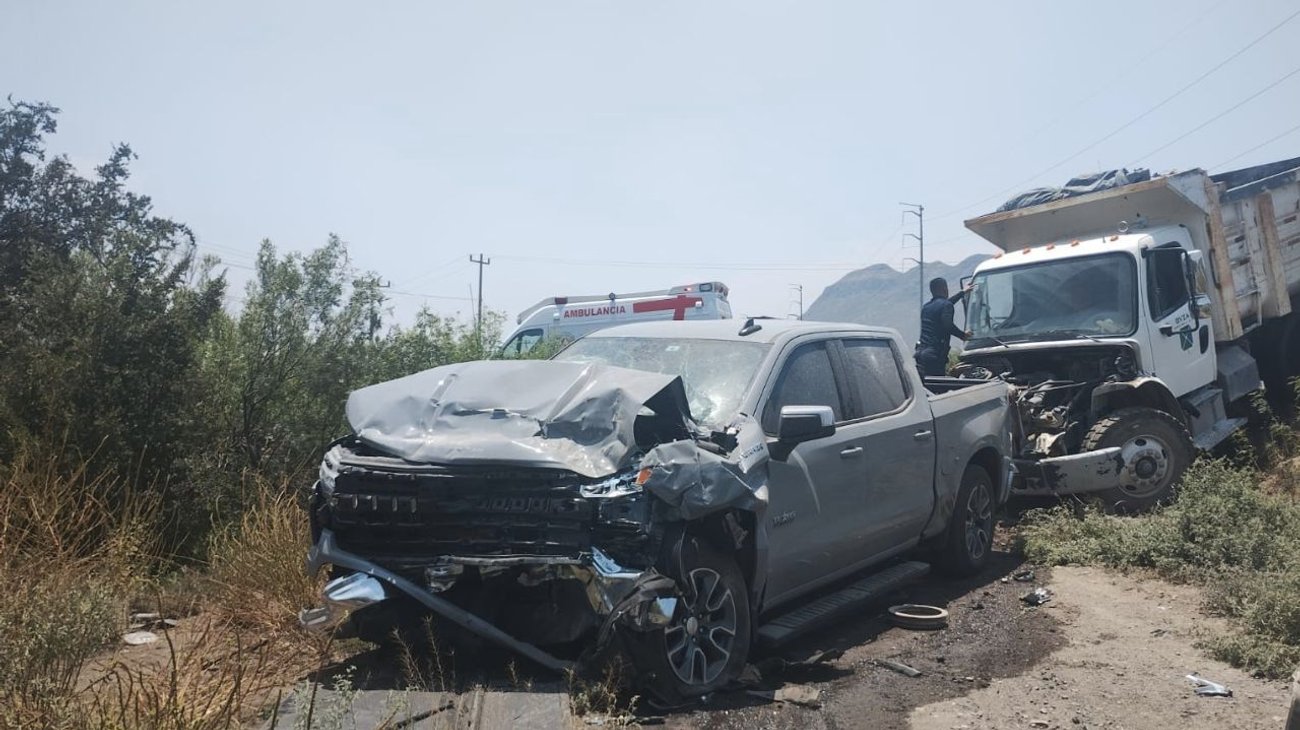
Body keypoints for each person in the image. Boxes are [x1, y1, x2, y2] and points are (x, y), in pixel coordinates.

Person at [915, 277, 968, 377]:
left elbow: (944, 305)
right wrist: (963, 335)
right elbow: (947, 325)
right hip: (934, 356)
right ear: (945, 289)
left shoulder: (926, 307)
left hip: (920, 355)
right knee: (938, 384)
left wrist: (962, 293)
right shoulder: (946, 305)